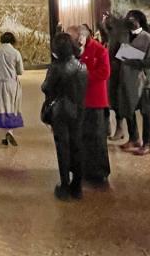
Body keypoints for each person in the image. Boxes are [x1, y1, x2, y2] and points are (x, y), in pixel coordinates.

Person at [42, 32, 88, 200]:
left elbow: (46, 87)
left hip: (61, 111)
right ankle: (77, 186)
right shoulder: (82, 67)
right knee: (77, 146)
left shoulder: (56, 68)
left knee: (63, 148)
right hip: (79, 109)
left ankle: (65, 186)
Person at [115, 10, 150, 156]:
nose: (129, 20)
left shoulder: (148, 39)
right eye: (128, 17)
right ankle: (134, 138)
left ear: (139, 21)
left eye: (133, 18)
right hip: (126, 80)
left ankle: (148, 143)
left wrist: (135, 60)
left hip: (143, 82)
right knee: (128, 109)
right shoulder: (124, 36)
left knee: (146, 113)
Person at [73, 25, 111, 188]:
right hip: (79, 101)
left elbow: (104, 73)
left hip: (95, 101)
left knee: (97, 138)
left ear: (83, 36)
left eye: (76, 39)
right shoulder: (74, 51)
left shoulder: (99, 50)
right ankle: (83, 169)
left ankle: (99, 172)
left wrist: (83, 76)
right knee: (81, 137)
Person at [0, 31, 25, 146]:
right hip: (11, 83)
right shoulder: (15, 52)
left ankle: (6, 134)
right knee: (11, 107)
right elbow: (20, 71)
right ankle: (9, 132)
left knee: (2, 108)